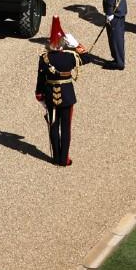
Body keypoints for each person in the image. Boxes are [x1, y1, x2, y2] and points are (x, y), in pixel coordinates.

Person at [36, 16, 83, 165]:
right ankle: (64, 159)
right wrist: (76, 44)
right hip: (67, 96)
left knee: (53, 126)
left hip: (50, 95)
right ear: (64, 43)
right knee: (66, 128)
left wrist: (40, 96)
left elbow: (40, 80)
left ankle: (55, 158)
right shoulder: (70, 57)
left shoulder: (44, 58)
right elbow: (86, 56)